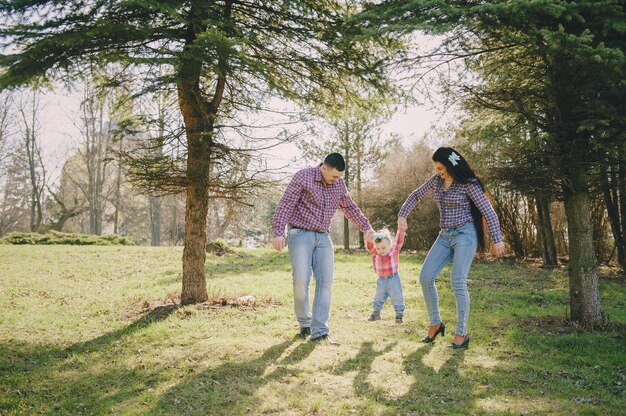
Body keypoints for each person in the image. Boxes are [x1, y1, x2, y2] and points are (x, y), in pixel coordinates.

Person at [397, 147, 505, 349]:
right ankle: (435, 323)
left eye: (441, 168)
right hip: (445, 235)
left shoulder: (468, 184)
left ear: (451, 165)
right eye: (436, 168)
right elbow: (415, 196)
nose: (438, 172)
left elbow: (488, 212)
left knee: (457, 282)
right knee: (425, 277)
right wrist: (402, 215)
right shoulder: (437, 181)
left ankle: (461, 334)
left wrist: (498, 239)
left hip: (465, 235)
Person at [271, 153, 374, 342]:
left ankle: (320, 331)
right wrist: (279, 231)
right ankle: (305, 324)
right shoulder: (304, 176)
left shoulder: (338, 184)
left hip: (323, 237)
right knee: (301, 281)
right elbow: (286, 204)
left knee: (325, 283)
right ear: (324, 168)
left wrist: (366, 227)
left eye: (340, 177)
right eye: (334, 176)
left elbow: (350, 208)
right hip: (300, 234)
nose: (337, 180)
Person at [366, 229, 406, 324]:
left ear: (390, 246)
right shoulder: (375, 253)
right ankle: (376, 313)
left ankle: (399, 314)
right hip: (381, 280)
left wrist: (400, 231)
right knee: (378, 296)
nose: (381, 250)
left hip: (393, 279)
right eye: (378, 248)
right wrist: (368, 239)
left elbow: (399, 241)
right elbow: (370, 246)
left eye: (383, 248)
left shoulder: (394, 251)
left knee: (397, 296)